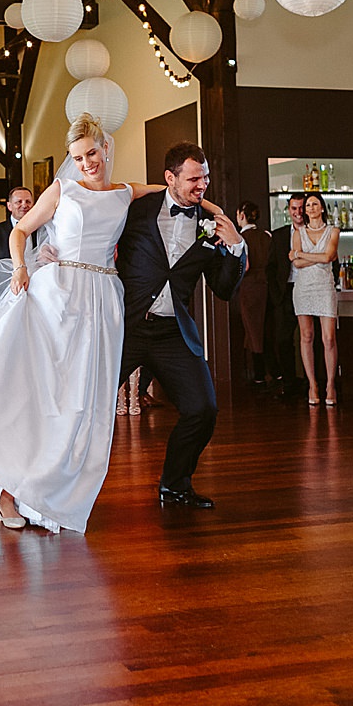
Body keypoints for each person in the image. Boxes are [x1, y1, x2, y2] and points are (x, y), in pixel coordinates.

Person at [0, 114, 167, 533]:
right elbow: (20, 231)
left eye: (92, 153)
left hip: (102, 303)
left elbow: (173, 190)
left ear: (106, 148)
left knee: (71, 407)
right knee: (35, 396)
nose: (86, 163)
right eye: (78, 157)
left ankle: (6, 491)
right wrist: (22, 267)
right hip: (57, 294)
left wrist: (212, 207)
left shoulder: (124, 192)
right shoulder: (64, 189)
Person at [119, 141, 247, 509]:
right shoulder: (136, 211)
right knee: (85, 408)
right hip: (127, 326)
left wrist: (236, 246)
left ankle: (174, 484)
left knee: (203, 409)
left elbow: (223, 289)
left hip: (173, 332)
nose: (201, 185)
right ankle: (51, 492)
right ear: (169, 178)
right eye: (193, 179)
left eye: (205, 178)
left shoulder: (211, 223)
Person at [290, 192, 339, 407]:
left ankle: (330, 384)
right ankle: (312, 384)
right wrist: (308, 258)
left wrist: (301, 255)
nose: (309, 208)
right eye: (307, 205)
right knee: (306, 335)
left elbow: (328, 257)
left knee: (328, 338)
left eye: (314, 204)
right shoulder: (298, 232)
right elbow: (296, 265)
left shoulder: (333, 231)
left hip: (325, 287)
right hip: (303, 288)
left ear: (322, 208)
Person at [265, 193, 305, 398]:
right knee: (283, 339)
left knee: (311, 339)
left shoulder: (315, 232)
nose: (298, 212)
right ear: (289, 210)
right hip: (285, 291)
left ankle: (312, 383)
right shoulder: (279, 235)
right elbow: (270, 268)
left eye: (301, 208)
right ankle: (289, 383)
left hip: (309, 289)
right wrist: (275, 295)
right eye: (294, 208)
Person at [235, 202, 272, 388]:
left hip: (249, 286)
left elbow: (246, 265)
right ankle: (271, 372)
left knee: (252, 329)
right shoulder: (266, 236)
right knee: (264, 327)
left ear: (242, 215)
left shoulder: (241, 238)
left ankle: (257, 374)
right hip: (266, 285)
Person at [0, 186, 36, 282]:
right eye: (19, 202)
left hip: (38, 284)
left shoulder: (41, 229)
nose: (24, 205)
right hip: (8, 285)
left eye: (28, 202)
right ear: (9, 206)